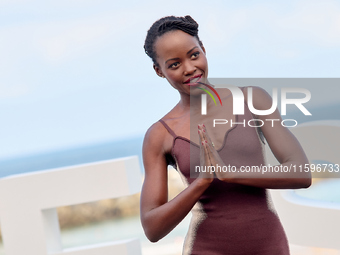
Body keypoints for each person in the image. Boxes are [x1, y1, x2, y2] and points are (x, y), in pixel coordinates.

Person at [140, 15, 311, 255]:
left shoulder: (252, 100)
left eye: (194, 54)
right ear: (159, 71)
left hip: (268, 245)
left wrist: (232, 173)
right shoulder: (159, 135)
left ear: (204, 50)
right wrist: (201, 183)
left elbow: (301, 173)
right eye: (174, 64)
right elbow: (152, 228)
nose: (190, 68)